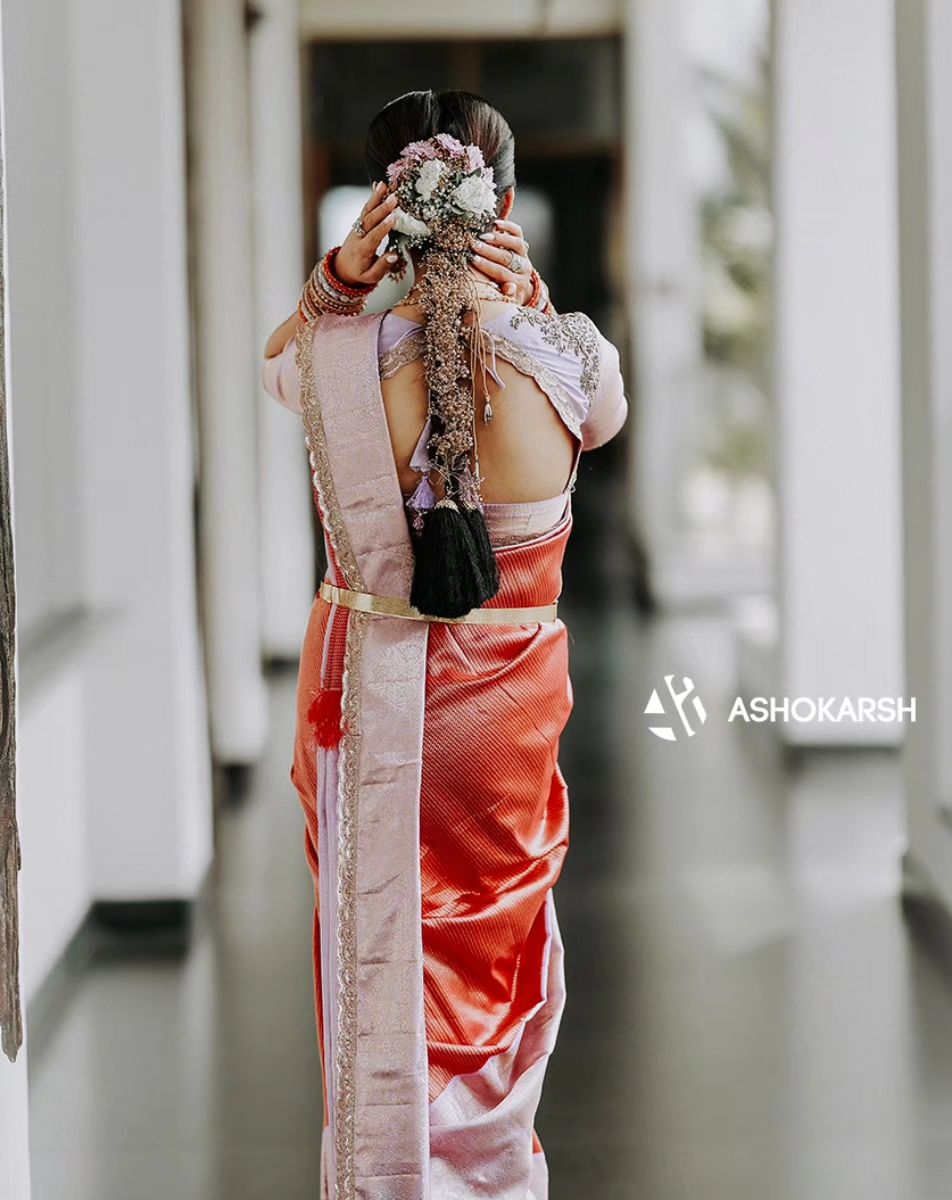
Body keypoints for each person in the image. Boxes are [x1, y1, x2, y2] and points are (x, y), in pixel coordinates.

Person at [263, 89, 627, 1200]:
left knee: (378, 971)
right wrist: (528, 295)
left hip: (372, 700)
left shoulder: (334, 361)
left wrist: (341, 279)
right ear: (504, 205)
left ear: (388, 209)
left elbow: (283, 355)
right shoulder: (575, 360)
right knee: (493, 973)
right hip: (509, 721)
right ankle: (494, 1174)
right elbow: (601, 407)